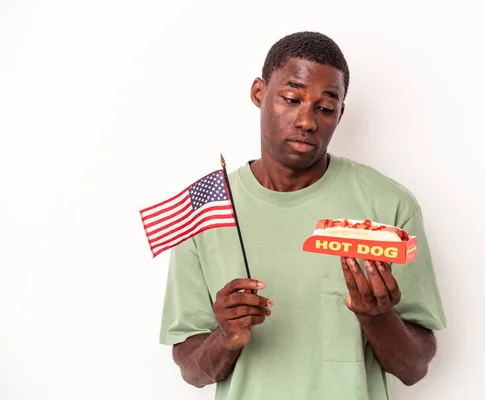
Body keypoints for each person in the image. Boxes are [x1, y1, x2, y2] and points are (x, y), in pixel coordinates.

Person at [159, 31, 446, 400]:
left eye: (325, 108)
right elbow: (191, 370)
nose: (307, 122)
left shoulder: (389, 207)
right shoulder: (207, 212)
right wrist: (227, 337)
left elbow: (414, 368)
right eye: (292, 99)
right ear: (259, 93)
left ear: (340, 113)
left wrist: (377, 316)